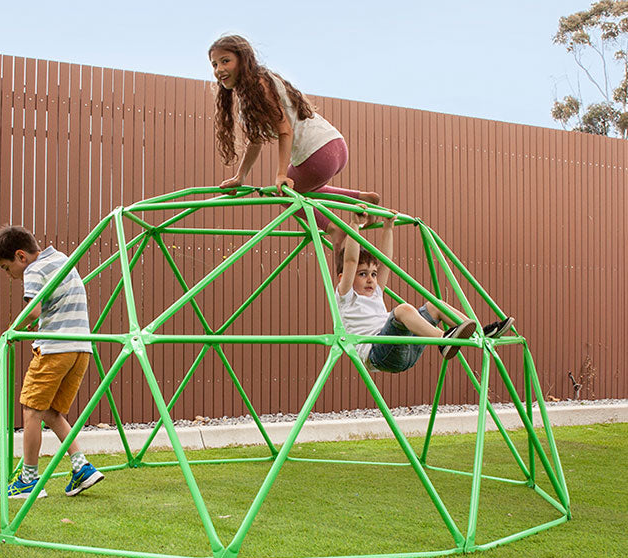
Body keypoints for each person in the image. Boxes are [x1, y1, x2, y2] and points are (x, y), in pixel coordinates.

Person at [208, 34, 380, 249]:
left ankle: (335, 231)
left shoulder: (260, 84)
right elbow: (255, 141)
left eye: (225, 61)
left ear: (244, 60)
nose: (219, 69)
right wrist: (240, 176)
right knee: (301, 188)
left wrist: (281, 174)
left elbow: (284, 130)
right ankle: (361, 198)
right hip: (335, 145)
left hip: (317, 154)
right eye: (214, 64)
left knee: (283, 193)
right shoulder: (250, 93)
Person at [0, 225, 104, 498]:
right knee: (52, 413)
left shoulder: (33, 269)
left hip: (55, 348)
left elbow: (34, 309)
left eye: (6, 268)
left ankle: (28, 480)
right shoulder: (61, 259)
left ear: (21, 256)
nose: (9, 275)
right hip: (81, 349)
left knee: (31, 410)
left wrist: (13, 328)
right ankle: (82, 467)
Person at [335, 210, 514, 373]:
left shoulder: (375, 292)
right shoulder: (346, 296)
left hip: (405, 348)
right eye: (362, 274)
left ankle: (479, 333)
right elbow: (351, 260)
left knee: (435, 306)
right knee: (403, 310)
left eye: (373, 274)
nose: (370, 279)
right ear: (344, 278)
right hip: (380, 353)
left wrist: (388, 228)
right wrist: (354, 225)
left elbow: (386, 261)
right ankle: (443, 340)